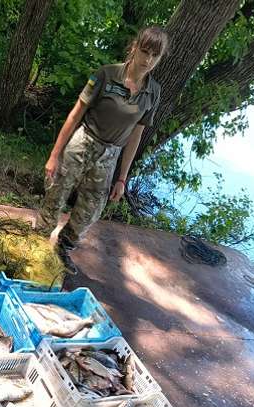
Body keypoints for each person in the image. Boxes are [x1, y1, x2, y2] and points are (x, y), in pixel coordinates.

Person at [35, 26, 170, 274]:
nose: (148, 60)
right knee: (57, 192)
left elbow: (136, 135)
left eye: (155, 55)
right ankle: (36, 242)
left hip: (110, 154)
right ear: (134, 47)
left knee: (91, 209)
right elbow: (75, 114)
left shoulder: (153, 92)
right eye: (145, 51)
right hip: (84, 142)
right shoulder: (106, 75)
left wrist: (122, 178)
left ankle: (63, 248)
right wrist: (54, 155)